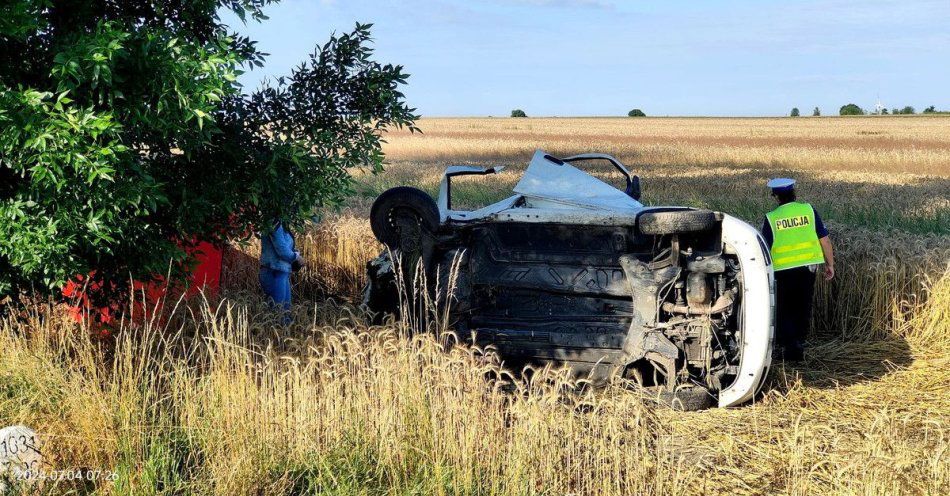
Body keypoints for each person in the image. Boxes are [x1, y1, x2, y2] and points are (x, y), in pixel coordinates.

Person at [761, 178, 835, 361]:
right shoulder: (808, 210)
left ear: (775, 196)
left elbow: (764, 247)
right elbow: (824, 239)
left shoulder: (772, 218)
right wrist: (830, 264)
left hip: (782, 270)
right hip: (808, 268)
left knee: (784, 307)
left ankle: (789, 345)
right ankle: (799, 342)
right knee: (802, 305)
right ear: (794, 193)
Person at [259, 221, 304, 324]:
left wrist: (295, 253)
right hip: (274, 271)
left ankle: (284, 337)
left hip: (282, 272)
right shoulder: (274, 222)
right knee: (277, 313)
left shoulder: (281, 223)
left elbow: (285, 247)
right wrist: (296, 257)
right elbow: (281, 249)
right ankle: (274, 337)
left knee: (285, 312)